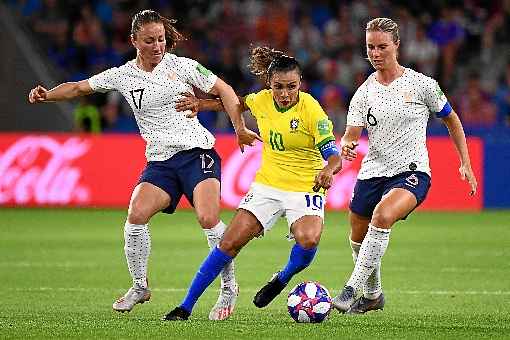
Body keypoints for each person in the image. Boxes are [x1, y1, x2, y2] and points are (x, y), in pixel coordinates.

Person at [28, 9, 260, 321]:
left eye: (161, 39)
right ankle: (140, 286)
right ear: (134, 40)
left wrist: (239, 127)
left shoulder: (182, 66)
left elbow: (225, 90)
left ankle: (229, 287)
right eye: (149, 40)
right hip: (161, 161)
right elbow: (80, 87)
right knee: (136, 215)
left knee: (208, 218)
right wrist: (47, 95)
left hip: (196, 153)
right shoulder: (122, 75)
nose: (157, 46)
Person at [162, 46, 343, 321]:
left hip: (306, 187)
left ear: (300, 84)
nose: (284, 94)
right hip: (267, 186)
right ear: (270, 85)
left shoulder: (311, 110)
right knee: (228, 244)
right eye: (278, 87)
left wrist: (329, 170)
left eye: (291, 87)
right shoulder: (261, 100)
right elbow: (234, 102)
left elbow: (333, 155)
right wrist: (202, 104)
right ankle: (185, 306)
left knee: (309, 239)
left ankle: (282, 278)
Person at [331, 17, 478, 314]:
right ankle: (373, 296)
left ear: (397, 45)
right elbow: (350, 136)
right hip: (372, 173)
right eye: (370, 47)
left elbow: (451, 118)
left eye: (382, 46)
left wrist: (465, 161)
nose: (375, 53)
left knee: (382, 216)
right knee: (358, 236)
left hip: (412, 171)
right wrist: (346, 147)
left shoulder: (423, 84)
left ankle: (351, 289)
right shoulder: (363, 93)